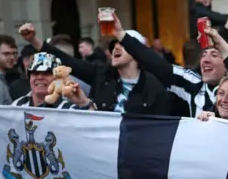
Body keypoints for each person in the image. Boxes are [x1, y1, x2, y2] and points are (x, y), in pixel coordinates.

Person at [19, 24, 169, 115]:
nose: (116, 48)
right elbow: (65, 59)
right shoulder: (101, 75)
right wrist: (33, 40)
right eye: (114, 45)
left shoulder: (154, 87)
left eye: (123, 45)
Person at [11, 52, 95, 110]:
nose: (40, 77)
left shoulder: (69, 108)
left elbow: (92, 127)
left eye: (47, 73)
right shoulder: (17, 105)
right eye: (35, 73)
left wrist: (83, 103)